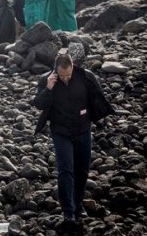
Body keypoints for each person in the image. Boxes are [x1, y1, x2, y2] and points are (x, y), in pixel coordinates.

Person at [32, 52, 115, 226]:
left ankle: (78, 205)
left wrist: (100, 118)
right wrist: (48, 88)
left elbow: (97, 97)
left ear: (72, 67)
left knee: (82, 170)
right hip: (61, 133)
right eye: (62, 76)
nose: (65, 78)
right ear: (56, 69)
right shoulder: (47, 79)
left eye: (68, 74)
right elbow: (39, 104)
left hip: (83, 130)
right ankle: (68, 211)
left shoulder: (85, 76)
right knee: (66, 170)